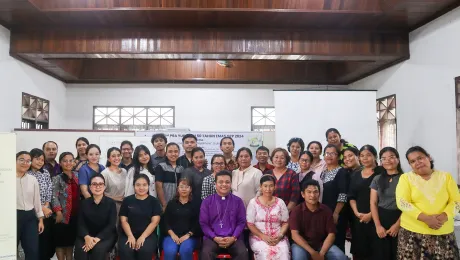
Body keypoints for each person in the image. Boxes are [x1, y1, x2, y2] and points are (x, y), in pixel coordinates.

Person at [396, 146, 460, 259]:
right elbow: (402, 202)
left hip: (442, 230)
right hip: (412, 233)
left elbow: (456, 201)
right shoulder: (405, 178)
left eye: (420, 158)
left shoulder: (446, 177)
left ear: (429, 157)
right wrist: (427, 219)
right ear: (410, 165)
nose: (417, 162)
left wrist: (443, 217)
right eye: (412, 161)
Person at [290, 179, 347, 260]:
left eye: (315, 192)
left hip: (321, 244)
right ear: (303, 194)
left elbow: (331, 234)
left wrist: (321, 253)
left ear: (319, 193)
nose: (312, 195)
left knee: (340, 257)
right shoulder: (296, 211)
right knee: (299, 257)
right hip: (301, 245)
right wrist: (312, 252)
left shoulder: (326, 210)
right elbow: (295, 235)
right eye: (309, 192)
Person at [200, 171, 248, 260]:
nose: (224, 185)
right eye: (220, 182)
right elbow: (204, 223)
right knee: (206, 253)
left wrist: (233, 237)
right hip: (212, 238)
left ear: (231, 184)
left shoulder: (238, 201)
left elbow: (241, 222)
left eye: (227, 182)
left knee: (243, 253)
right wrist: (214, 237)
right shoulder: (207, 201)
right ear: (215, 184)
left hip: (234, 237)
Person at [370, 147, 403, 260]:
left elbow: (410, 204)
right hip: (381, 218)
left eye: (391, 157)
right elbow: (373, 203)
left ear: (398, 159)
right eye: (384, 158)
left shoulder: (406, 178)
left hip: (401, 218)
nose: (387, 161)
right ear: (381, 162)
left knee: (398, 253)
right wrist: (378, 226)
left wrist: (398, 225)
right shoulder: (377, 179)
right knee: (381, 254)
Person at [118, 174, 162, 260]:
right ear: (134, 186)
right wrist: (130, 236)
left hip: (148, 235)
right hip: (128, 233)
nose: (141, 188)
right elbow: (123, 221)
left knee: (144, 250)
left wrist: (143, 237)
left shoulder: (154, 201)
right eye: (138, 185)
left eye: (144, 185)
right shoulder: (127, 200)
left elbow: (155, 222)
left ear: (148, 186)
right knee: (127, 250)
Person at [246, 175, 290, 260]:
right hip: (258, 238)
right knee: (266, 254)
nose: (268, 189)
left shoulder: (280, 202)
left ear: (275, 187)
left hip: (278, 237)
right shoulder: (253, 203)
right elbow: (250, 224)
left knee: (284, 254)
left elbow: (285, 223)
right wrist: (263, 236)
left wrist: (280, 236)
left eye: (271, 186)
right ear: (261, 187)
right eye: (265, 186)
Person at [74, 174, 117, 260]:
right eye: (94, 184)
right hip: (86, 235)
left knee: (98, 249)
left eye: (100, 184)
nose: (98, 187)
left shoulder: (111, 203)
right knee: (81, 250)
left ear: (104, 187)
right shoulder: (84, 203)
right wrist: (86, 237)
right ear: (90, 187)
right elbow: (80, 223)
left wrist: (96, 239)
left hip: (105, 235)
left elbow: (111, 225)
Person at [348, 145, 380, 260]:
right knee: (359, 250)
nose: (365, 158)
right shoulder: (356, 174)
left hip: (377, 218)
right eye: (362, 156)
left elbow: (385, 199)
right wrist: (356, 212)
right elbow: (351, 196)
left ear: (375, 156)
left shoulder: (381, 173)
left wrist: (371, 215)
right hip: (358, 218)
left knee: (375, 251)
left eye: (368, 155)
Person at [320, 144, 349, 252]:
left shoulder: (342, 172)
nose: (329, 156)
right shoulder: (323, 172)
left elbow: (343, 194)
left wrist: (336, 213)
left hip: (336, 214)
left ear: (338, 156)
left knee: (336, 243)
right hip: (324, 213)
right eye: (327, 153)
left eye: (333, 153)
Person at [17, 151, 45, 260]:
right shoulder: (6, 178)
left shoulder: (32, 179)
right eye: (21, 160)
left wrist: (41, 220)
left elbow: (36, 201)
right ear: (15, 161)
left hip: (30, 217)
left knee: (32, 250)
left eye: (28, 161)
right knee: (10, 248)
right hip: (12, 216)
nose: (25, 163)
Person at [27, 148, 54, 260]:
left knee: (46, 243)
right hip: (31, 212)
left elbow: (49, 189)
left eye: (42, 160)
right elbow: (28, 196)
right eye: (37, 159)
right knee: (33, 243)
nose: (39, 162)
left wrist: (47, 206)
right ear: (31, 159)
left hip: (46, 212)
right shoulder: (26, 174)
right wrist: (42, 208)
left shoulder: (45, 172)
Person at [163, 178, 200, 260]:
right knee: (170, 251)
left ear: (190, 189)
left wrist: (188, 235)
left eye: (186, 187)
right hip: (171, 236)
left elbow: (197, 223)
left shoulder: (195, 204)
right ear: (178, 189)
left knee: (185, 250)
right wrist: (172, 235)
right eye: (181, 187)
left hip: (190, 237)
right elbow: (165, 221)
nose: (184, 189)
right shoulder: (171, 204)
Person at [52, 152, 80, 260]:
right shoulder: (57, 178)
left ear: (74, 162)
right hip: (62, 216)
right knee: (60, 243)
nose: (68, 163)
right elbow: (54, 196)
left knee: (70, 243)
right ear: (60, 163)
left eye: (70, 160)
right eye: (65, 160)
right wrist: (58, 212)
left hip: (75, 214)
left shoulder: (77, 175)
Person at [265, 148, 300, 212]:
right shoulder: (267, 174)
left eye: (282, 158)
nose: (279, 160)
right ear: (272, 159)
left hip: (286, 211)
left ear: (286, 160)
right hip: (268, 211)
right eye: (276, 157)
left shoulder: (292, 174)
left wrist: (285, 211)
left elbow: (295, 196)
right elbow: (263, 193)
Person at [155, 142, 185, 211]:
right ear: (166, 153)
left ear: (179, 153)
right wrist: (164, 204)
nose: (173, 154)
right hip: (164, 204)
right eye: (170, 152)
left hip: (178, 204)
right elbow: (158, 186)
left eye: (176, 151)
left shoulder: (181, 169)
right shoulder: (161, 166)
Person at [101, 147, 127, 214]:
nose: (116, 158)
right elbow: (100, 192)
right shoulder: (105, 173)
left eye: (118, 155)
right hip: (111, 206)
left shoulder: (124, 171)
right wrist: (115, 198)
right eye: (113, 156)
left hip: (125, 206)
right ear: (108, 159)